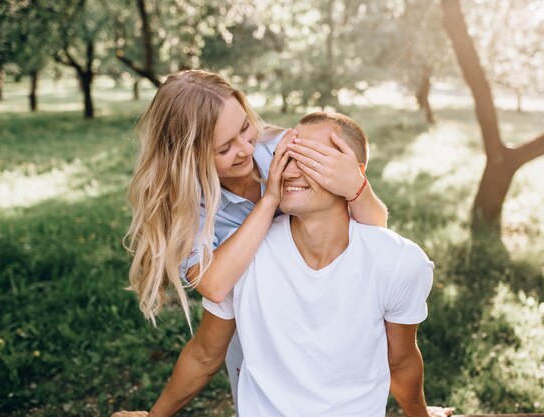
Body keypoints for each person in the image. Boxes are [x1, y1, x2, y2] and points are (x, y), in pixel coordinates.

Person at [114, 112, 452, 417]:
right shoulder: (241, 258)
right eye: (285, 156)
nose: (286, 170)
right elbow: (204, 353)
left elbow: (402, 359)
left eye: (309, 159)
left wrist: (419, 414)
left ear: (351, 172)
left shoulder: (400, 263)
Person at [124, 70, 388, 410]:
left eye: (245, 128)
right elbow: (215, 286)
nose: (246, 148)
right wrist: (269, 201)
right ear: (187, 156)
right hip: (261, 329)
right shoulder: (185, 205)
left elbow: (375, 230)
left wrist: (356, 186)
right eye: (224, 148)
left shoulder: (281, 149)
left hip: (331, 316)